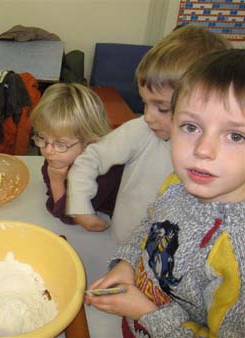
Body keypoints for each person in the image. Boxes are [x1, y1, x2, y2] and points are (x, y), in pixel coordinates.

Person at [86, 48, 245, 337]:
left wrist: (146, 312)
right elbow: (151, 226)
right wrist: (127, 263)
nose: (202, 150)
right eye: (191, 126)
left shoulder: (237, 252)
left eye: (236, 135)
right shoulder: (177, 183)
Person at [67, 25, 231, 243]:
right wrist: (80, 205)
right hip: (124, 244)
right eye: (145, 103)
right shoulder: (141, 131)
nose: (148, 117)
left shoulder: (223, 157)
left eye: (162, 108)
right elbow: (91, 158)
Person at [30, 83, 123, 228]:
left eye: (60, 143)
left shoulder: (104, 171)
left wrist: (56, 182)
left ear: (89, 142)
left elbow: (73, 218)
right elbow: (47, 181)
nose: (48, 151)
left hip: (116, 222)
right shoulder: (59, 153)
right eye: (42, 138)